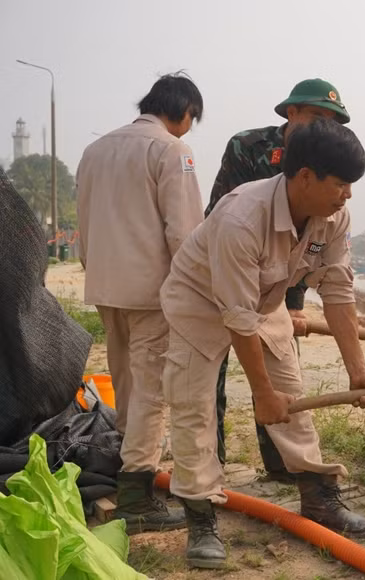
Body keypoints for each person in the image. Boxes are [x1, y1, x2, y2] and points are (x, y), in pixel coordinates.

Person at [160, 118, 365, 569]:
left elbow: (337, 291)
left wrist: (358, 370)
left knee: (291, 392)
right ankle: (201, 514)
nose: (348, 195)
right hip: (199, 302)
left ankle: (319, 499)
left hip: (264, 299)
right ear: (305, 177)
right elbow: (235, 317)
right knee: (193, 404)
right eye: (341, 184)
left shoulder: (333, 216)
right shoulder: (242, 216)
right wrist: (261, 395)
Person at [76, 73, 204, 533]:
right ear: (184, 110)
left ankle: (130, 463)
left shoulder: (95, 150)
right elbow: (185, 233)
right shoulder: (173, 151)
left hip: (106, 286)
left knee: (126, 379)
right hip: (153, 292)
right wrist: (194, 293)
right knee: (152, 390)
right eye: (192, 119)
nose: (189, 128)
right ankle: (135, 497)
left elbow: (84, 223)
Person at [206, 78, 350, 481]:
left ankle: (282, 466)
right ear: (291, 113)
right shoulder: (248, 148)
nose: (325, 126)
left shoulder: (331, 164)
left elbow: (312, 241)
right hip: (228, 270)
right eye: (317, 116)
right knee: (207, 380)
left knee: (281, 380)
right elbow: (226, 220)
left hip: (275, 284)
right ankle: (210, 469)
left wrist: (294, 303)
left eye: (333, 121)